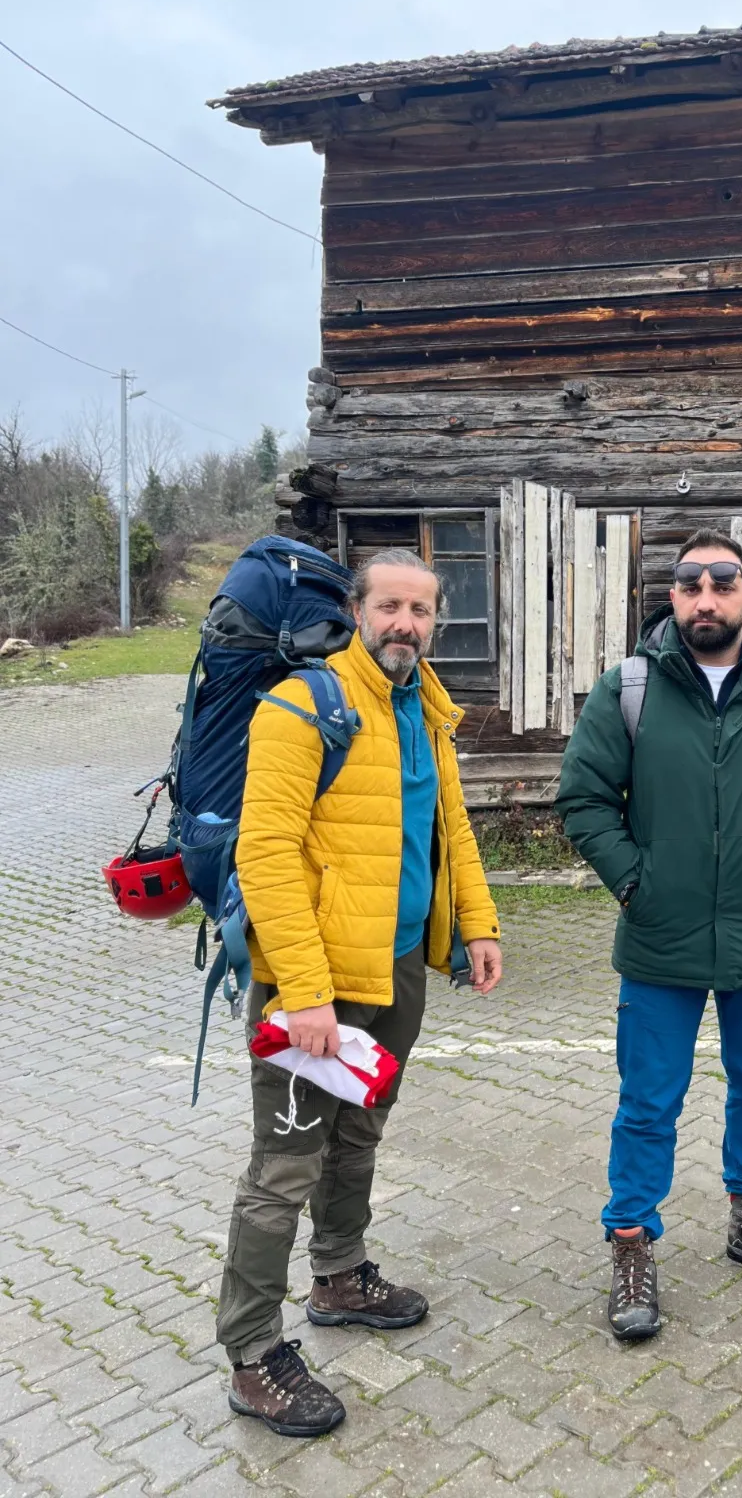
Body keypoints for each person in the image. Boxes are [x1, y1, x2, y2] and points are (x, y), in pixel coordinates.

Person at [216, 547, 502, 1434]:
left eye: (420, 611)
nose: (404, 625)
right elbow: (262, 852)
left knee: (360, 1133)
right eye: (389, 607)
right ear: (357, 609)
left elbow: (448, 827)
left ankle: (338, 1276)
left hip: (398, 967)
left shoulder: (425, 708)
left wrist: (477, 924)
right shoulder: (306, 706)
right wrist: (302, 990)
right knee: (285, 1164)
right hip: (317, 986)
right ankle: (253, 1353)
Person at [556, 528, 742, 1339]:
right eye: (690, 584)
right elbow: (583, 797)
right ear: (673, 597)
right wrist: (632, 881)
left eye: (723, 582)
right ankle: (630, 1245)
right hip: (662, 938)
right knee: (649, 1101)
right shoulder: (630, 688)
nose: (706, 597)